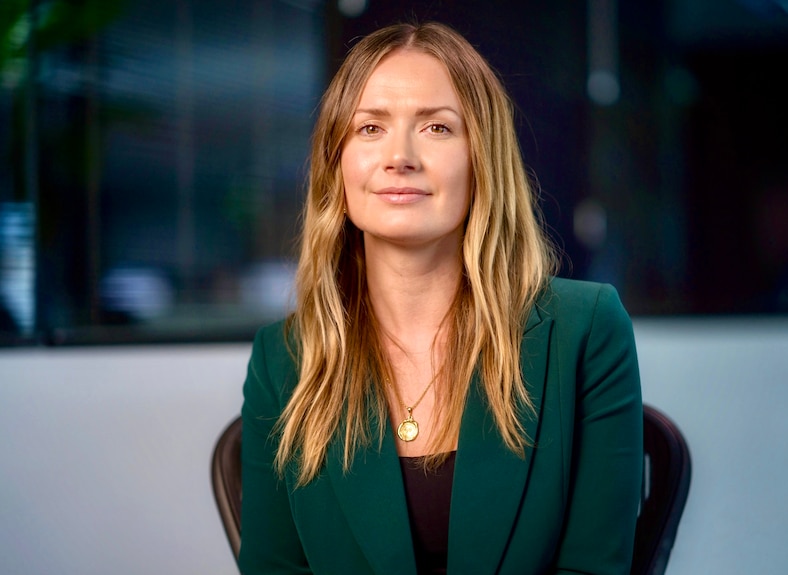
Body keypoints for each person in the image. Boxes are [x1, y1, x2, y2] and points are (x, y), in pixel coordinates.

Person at [239, 21, 642, 575]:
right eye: (370, 128)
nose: (399, 156)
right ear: (337, 163)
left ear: (483, 159)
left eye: (435, 127)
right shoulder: (282, 359)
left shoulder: (586, 330)